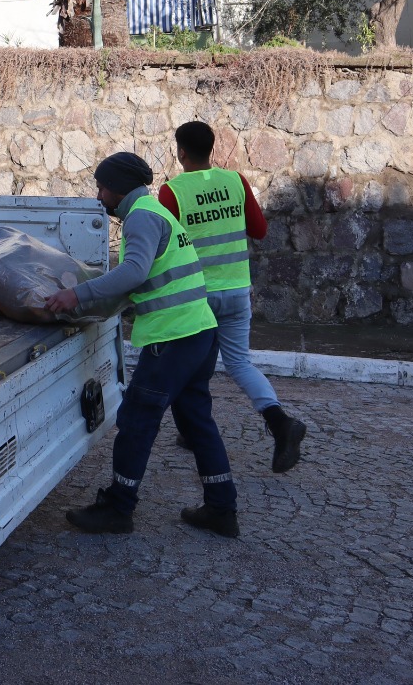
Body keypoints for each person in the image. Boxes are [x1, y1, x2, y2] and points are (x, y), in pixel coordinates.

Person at [45, 152, 240, 538]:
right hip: (199, 332)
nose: (99, 196)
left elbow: (133, 272)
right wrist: (96, 306)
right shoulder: (158, 212)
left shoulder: (141, 218)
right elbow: (144, 282)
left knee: (136, 421)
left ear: (117, 187)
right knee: (197, 422)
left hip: (171, 339)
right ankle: (222, 508)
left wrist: (76, 296)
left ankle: (118, 509)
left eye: (102, 187)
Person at [161, 122, 307, 473]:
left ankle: (193, 431)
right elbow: (259, 230)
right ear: (211, 149)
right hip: (237, 291)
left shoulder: (172, 191)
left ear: (181, 151)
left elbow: (163, 246)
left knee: (189, 366)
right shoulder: (236, 181)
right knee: (240, 364)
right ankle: (280, 423)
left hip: (196, 297)